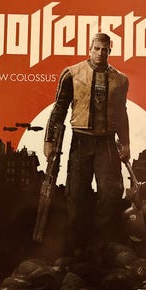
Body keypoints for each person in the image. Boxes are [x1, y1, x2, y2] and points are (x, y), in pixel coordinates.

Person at [44, 33, 130, 255]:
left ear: (110, 51)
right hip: (81, 139)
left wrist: (126, 143)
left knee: (110, 193)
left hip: (107, 142)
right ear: (89, 49)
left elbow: (121, 113)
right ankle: (76, 247)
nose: (100, 53)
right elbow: (59, 109)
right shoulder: (72, 73)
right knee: (76, 193)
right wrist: (49, 140)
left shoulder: (120, 80)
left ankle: (101, 245)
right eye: (97, 49)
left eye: (105, 50)